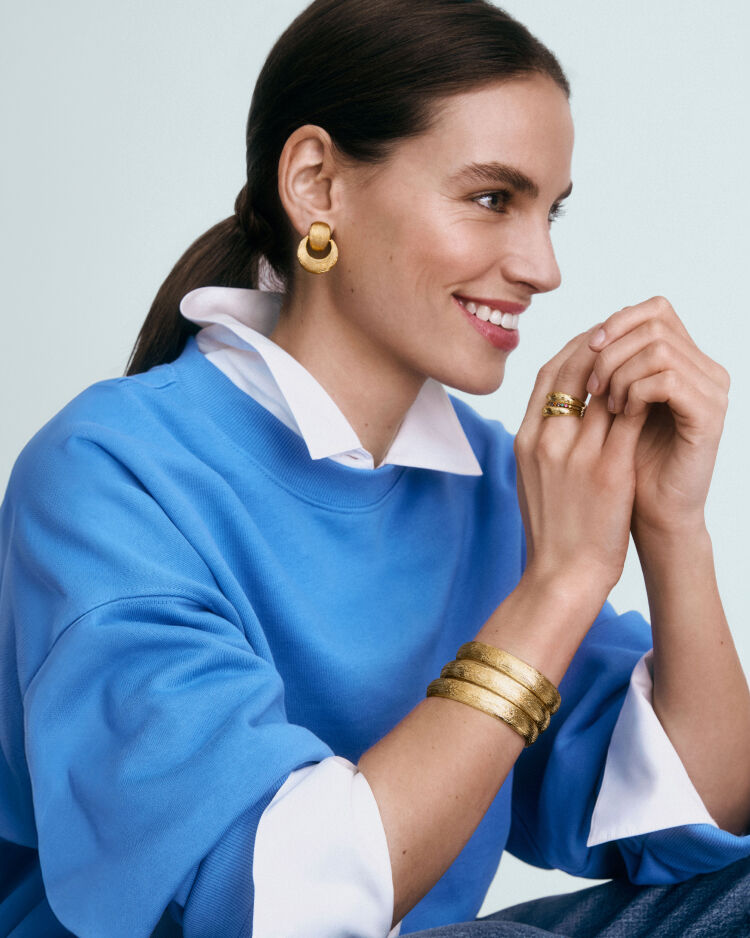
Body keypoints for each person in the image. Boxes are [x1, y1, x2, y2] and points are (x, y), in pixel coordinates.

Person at [0, 0, 748, 935]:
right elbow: (264, 904)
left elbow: (697, 818)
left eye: (549, 212)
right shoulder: (111, 475)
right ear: (317, 184)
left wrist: (673, 526)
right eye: (493, 198)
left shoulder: (487, 481)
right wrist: (561, 585)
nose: (543, 266)